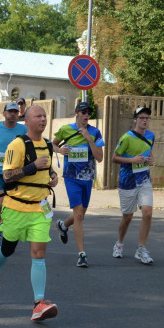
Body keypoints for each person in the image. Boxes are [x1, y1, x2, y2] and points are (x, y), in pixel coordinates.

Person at [0, 105, 60, 321]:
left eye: (45, 116)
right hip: (16, 206)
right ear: (27, 120)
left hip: (39, 208)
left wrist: (53, 176)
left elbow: (48, 169)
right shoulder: (17, 145)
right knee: (7, 250)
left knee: (39, 254)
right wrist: (31, 167)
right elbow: (7, 176)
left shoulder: (47, 145)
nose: (43, 119)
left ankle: (39, 303)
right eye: (38, 116)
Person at [52, 100, 105, 267]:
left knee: (80, 214)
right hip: (71, 177)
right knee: (79, 215)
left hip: (88, 178)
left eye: (89, 113)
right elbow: (51, 144)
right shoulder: (66, 130)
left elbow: (100, 158)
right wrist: (59, 150)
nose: (86, 115)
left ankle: (63, 225)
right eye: (83, 112)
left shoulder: (95, 132)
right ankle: (82, 254)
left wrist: (89, 139)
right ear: (76, 113)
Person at [111, 105, 156, 264]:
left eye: (147, 118)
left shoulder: (151, 136)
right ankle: (119, 243)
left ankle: (141, 249)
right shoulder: (127, 137)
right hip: (127, 180)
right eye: (142, 118)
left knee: (147, 213)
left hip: (144, 179)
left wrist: (151, 160)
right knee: (127, 217)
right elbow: (114, 158)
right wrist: (132, 160)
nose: (145, 121)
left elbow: (149, 154)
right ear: (135, 120)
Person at [0, 102, 28, 250]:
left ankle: (7, 230)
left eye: (15, 111)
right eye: (10, 111)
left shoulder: (23, 129)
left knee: (13, 205)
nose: (13, 114)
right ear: (4, 113)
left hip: (15, 173)